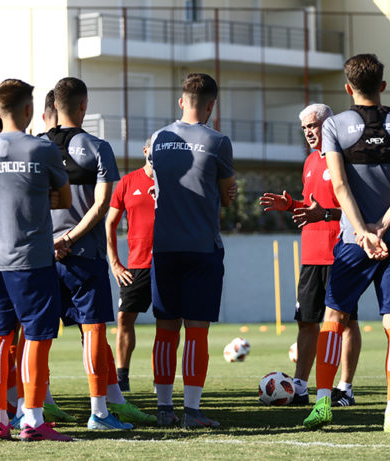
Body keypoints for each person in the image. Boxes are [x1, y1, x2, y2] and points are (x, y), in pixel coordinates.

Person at [302, 54, 390, 433]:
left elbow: (338, 186)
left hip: (354, 242)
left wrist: (363, 232)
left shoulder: (336, 126)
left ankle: (323, 403)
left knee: (334, 319)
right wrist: (383, 226)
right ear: (383, 86)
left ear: (347, 87)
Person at [47, 77, 152, 429]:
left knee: (37, 333)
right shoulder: (97, 147)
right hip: (81, 256)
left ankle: (41, 404)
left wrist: (51, 243)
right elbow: (102, 204)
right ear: (83, 106)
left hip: (43, 257)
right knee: (92, 330)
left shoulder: (36, 148)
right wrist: (71, 240)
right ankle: (99, 412)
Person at [0, 78, 73, 442]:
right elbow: (63, 199)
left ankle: (0, 419)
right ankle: (32, 419)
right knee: (36, 338)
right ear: (30, 109)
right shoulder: (42, 149)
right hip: (33, 258)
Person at [260, 103, 361, 407]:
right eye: (304, 128)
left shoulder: (347, 160)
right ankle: (300, 387)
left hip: (342, 252)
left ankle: (345, 388)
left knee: (345, 322)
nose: (309, 132)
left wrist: (327, 214)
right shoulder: (308, 163)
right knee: (306, 321)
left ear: (329, 125)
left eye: (313, 125)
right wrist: (290, 204)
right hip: (311, 254)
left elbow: (357, 208)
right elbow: (311, 207)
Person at [149, 73, 235, 428]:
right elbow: (229, 196)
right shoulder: (218, 142)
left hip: (164, 247)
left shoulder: (156, 139)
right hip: (201, 247)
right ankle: (192, 413)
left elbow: (152, 180)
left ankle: (164, 409)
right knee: (197, 330)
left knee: (165, 330)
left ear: (181, 101)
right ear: (212, 105)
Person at [106, 137, 155, 394]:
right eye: (152, 147)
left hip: (168, 263)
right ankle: (122, 377)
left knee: (169, 323)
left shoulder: (173, 181)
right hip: (137, 266)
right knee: (124, 319)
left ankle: (163, 382)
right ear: (145, 149)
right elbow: (109, 223)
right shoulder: (127, 182)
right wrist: (115, 263)